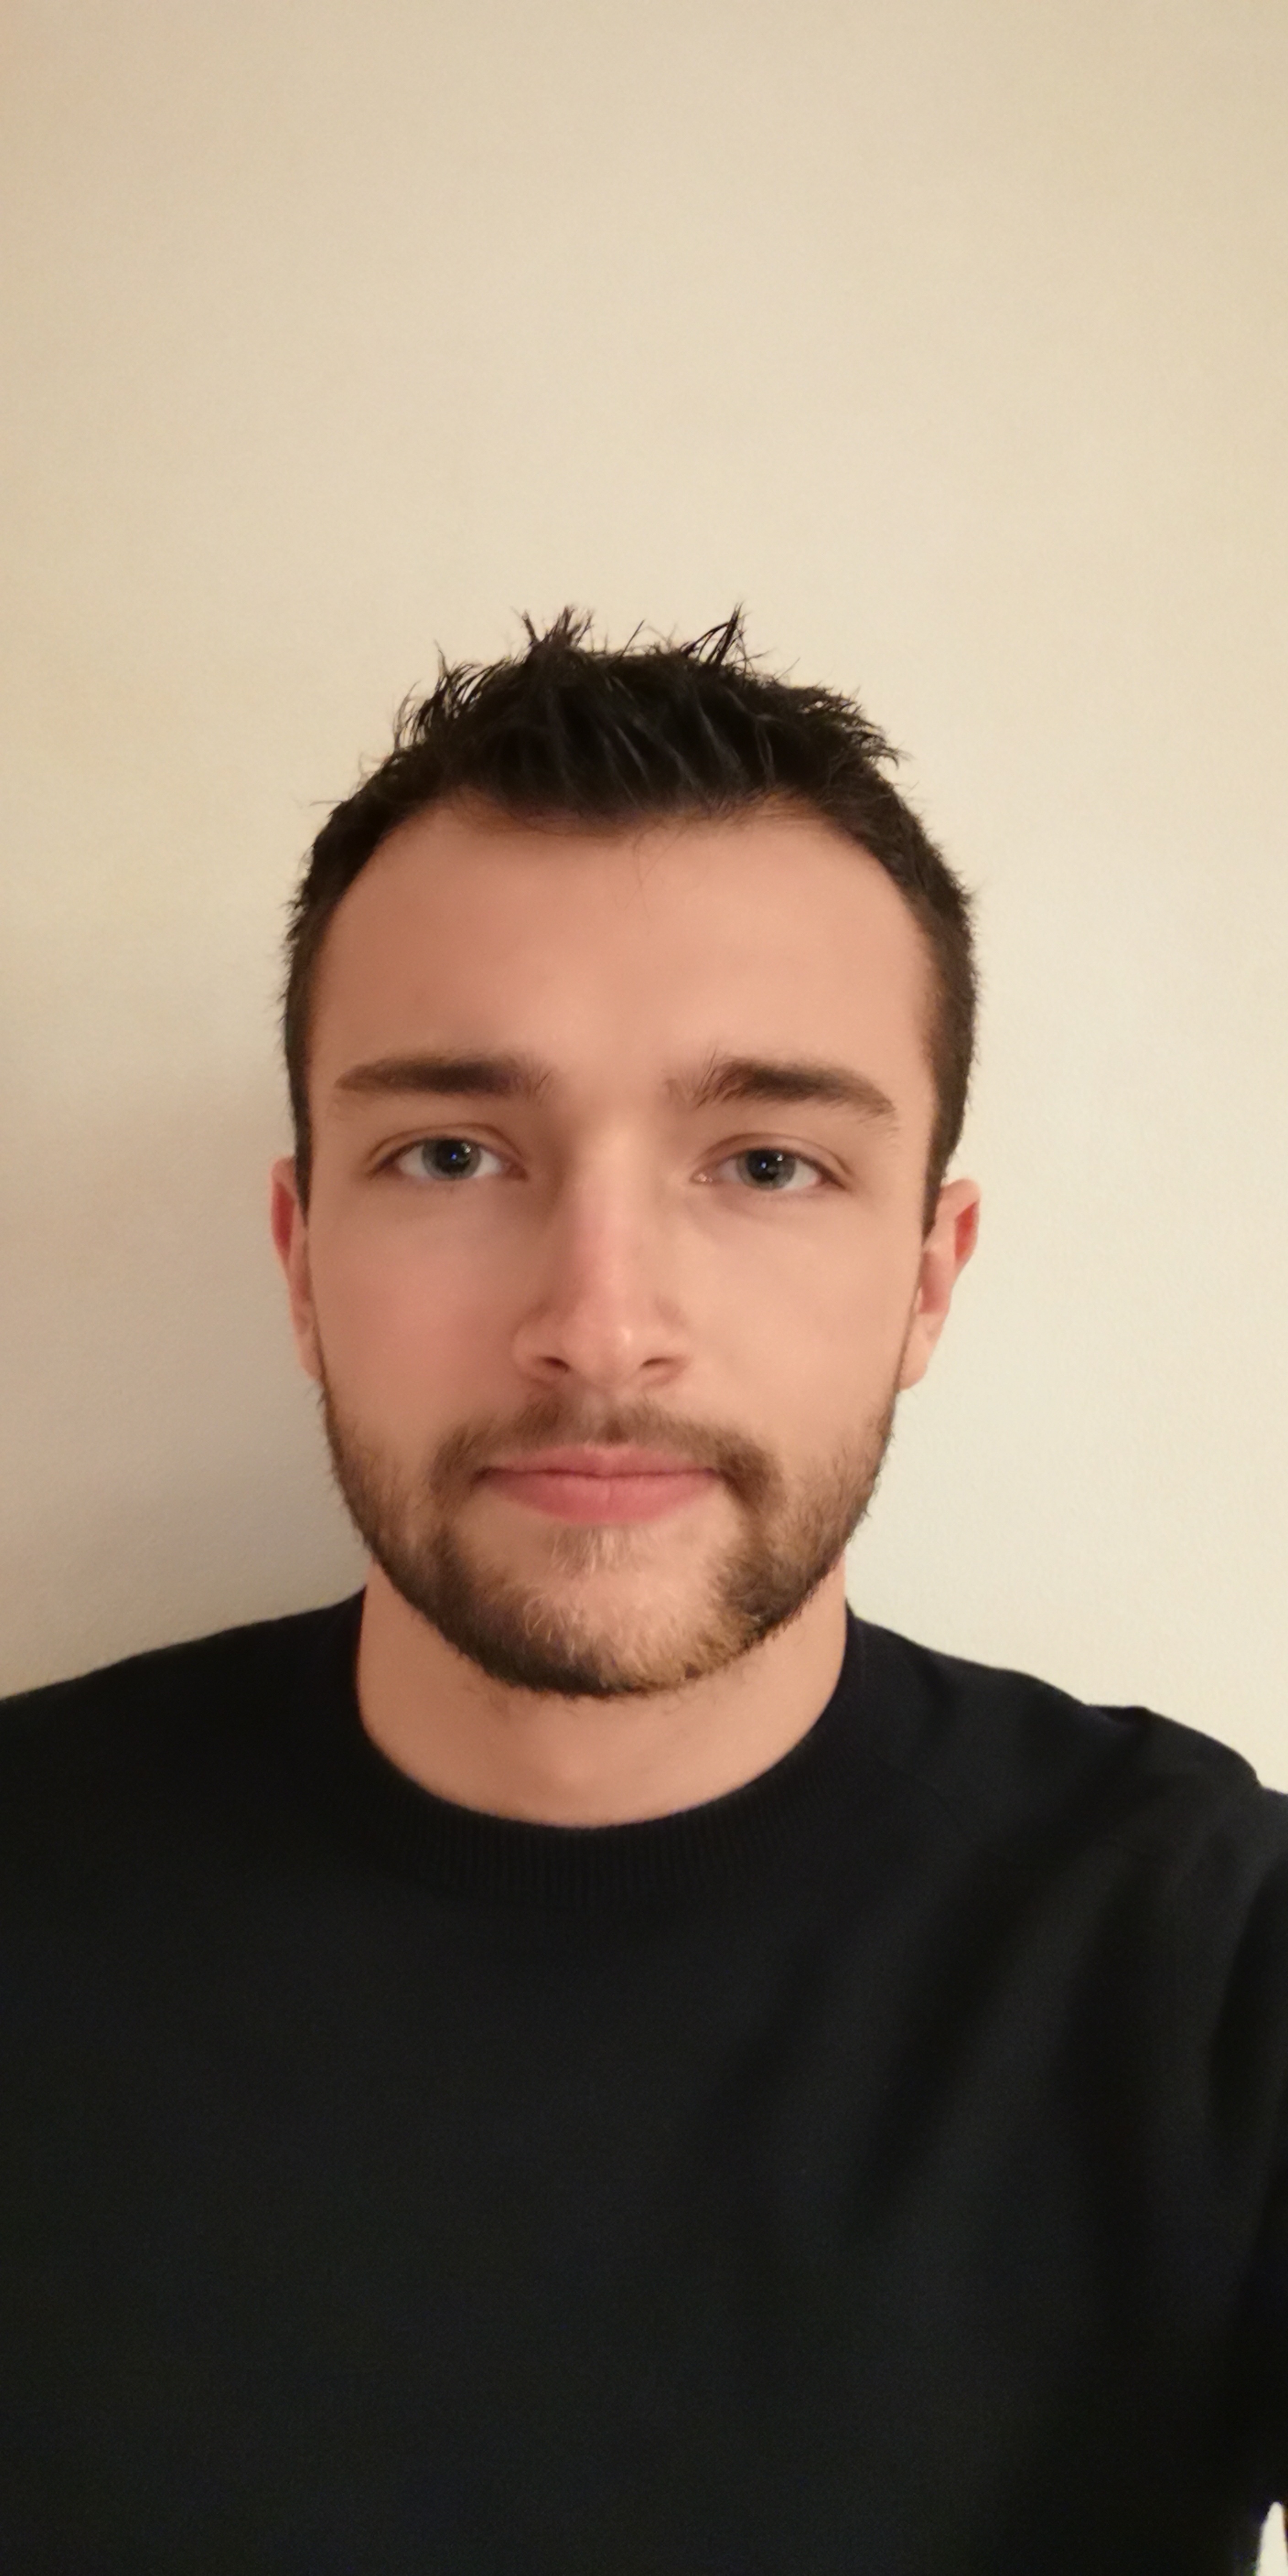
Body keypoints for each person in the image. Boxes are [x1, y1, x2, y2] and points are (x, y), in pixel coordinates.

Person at [1, 607, 1284, 2576]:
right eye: (452, 1153)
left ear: (929, 1277)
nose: (600, 1326)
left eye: (766, 1164)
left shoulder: (1207, 1967)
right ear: (299, 1255)